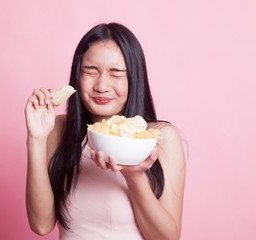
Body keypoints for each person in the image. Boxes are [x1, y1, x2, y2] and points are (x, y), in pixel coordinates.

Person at [25, 22, 186, 240]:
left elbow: (167, 238)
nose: (101, 85)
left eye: (116, 73)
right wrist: (36, 138)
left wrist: (133, 174)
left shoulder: (160, 138)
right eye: (90, 71)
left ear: (134, 78)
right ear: (77, 76)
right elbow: (41, 225)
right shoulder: (58, 129)